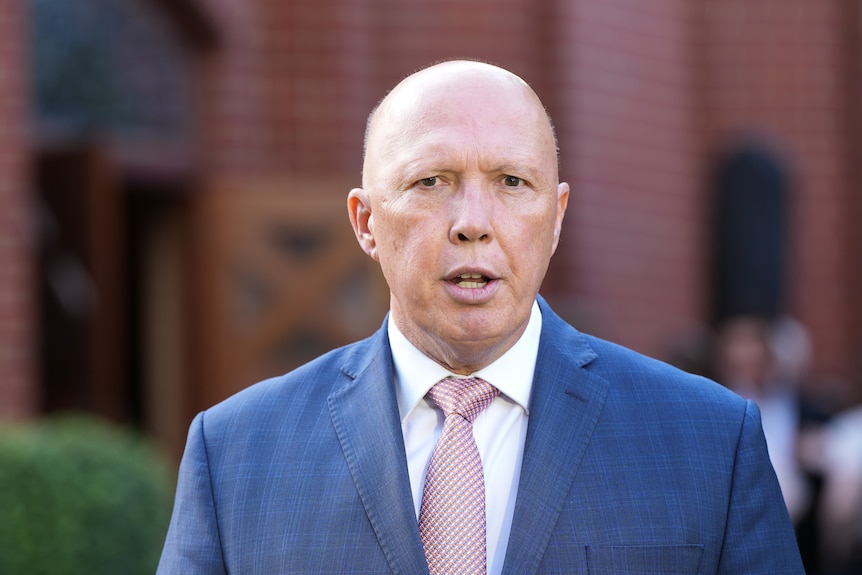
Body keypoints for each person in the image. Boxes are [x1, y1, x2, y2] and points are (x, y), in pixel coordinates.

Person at [157, 60, 804, 574]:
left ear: (555, 218)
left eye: (511, 182)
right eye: (431, 181)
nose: (472, 223)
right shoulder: (237, 455)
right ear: (365, 222)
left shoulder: (710, 443)